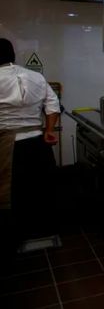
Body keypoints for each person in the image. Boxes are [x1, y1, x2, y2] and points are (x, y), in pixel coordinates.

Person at [0, 38, 60, 258]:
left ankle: (13, 236)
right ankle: (41, 231)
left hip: (8, 144)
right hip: (37, 142)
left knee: (10, 191)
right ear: (12, 55)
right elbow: (52, 106)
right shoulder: (35, 76)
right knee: (39, 187)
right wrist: (49, 130)